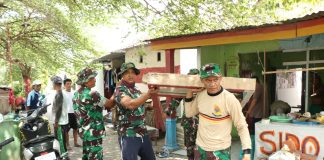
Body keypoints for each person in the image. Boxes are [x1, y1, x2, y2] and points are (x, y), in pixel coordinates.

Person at [185, 63, 251, 160]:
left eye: (215, 79)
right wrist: (189, 91)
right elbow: (189, 113)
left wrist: (247, 152)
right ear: (202, 80)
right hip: (200, 149)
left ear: (220, 78)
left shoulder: (229, 99)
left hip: (221, 151)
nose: (212, 84)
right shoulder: (201, 96)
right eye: (208, 80)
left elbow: (241, 125)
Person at [114, 62, 159, 160]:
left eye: (133, 72)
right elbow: (130, 104)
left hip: (143, 133)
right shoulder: (120, 90)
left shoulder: (136, 90)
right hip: (129, 135)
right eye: (127, 73)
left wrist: (150, 106)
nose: (130, 75)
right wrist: (147, 95)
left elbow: (139, 105)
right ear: (122, 75)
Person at [73, 67, 115, 160]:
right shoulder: (93, 94)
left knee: (87, 156)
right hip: (94, 132)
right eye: (92, 78)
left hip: (84, 132)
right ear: (85, 81)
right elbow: (110, 104)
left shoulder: (76, 94)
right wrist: (117, 91)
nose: (95, 79)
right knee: (95, 157)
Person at [180, 68, 200, 160]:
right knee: (189, 147)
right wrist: (169, 110)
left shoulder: (203, 89)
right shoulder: (185, 89)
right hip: (188, 122)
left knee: (200, 147)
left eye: (195, 77)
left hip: (201, 122)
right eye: (191, 77)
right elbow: (176, 98)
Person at [51, 76, 69, 158]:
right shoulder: (61, 93)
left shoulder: (59, 94)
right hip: (62, 121)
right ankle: (64, 156)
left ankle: (65, 157)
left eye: (53, 83)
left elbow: (58, 110)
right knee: (62, 142)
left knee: (60, 143)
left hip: (60, 123)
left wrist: (56, 122)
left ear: (55, 84)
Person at [63, 78, 81, 150]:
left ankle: (75, 142)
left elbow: (78, 102)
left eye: (70, 83)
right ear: (64, 85)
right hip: (66, 114)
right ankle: (67, 144)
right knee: (66, 130)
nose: (69, 85)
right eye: (67, 84)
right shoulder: (63, 93)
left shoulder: (74, 92)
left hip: (74, 113)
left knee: (75, 128)